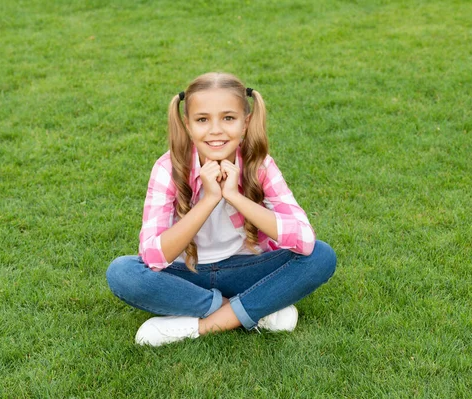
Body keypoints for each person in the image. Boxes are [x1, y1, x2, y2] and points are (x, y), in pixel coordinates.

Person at [106, 72, 336, 346]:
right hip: (188, 276)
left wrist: (234, 196)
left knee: (322, 256)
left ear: (245, 123)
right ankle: (253, 309)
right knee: (122, 272)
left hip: (246, 270)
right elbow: (154, 255)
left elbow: (305, 241)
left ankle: (202, 326)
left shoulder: (259, 165)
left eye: (228, 118)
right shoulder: (168, 168)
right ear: (188, 125)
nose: (216, 130)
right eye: (203, 120)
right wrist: (209, 199)